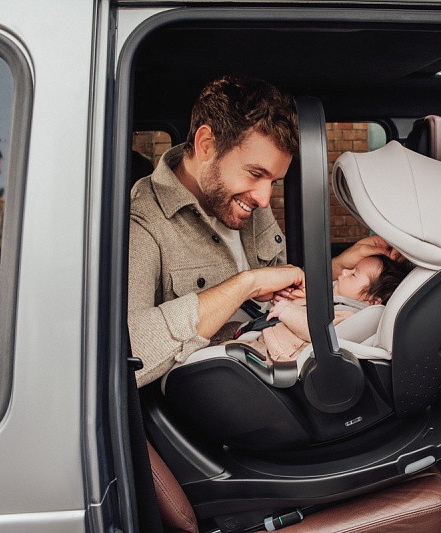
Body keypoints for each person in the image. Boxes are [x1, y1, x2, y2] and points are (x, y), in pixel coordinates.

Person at [128, 75, 395, 387]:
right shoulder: (142, 222)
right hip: (220, 390)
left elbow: (280, 288)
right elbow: (130, 352)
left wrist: (340, 266)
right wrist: (247, 284)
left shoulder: (247, 199)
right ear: (206, 145)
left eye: (273, 181)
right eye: (255, 174)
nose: (265, 199)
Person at [228, 254, 413, 362]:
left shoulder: (350, 315)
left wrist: (286, 310)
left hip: (272, 353)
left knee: (222, 352)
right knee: (227, 328)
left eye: (354, 274)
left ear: (372, 301)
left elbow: (320, 331)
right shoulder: (338, 300)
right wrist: (293, 300)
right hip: (267, 336)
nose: (345, 271)